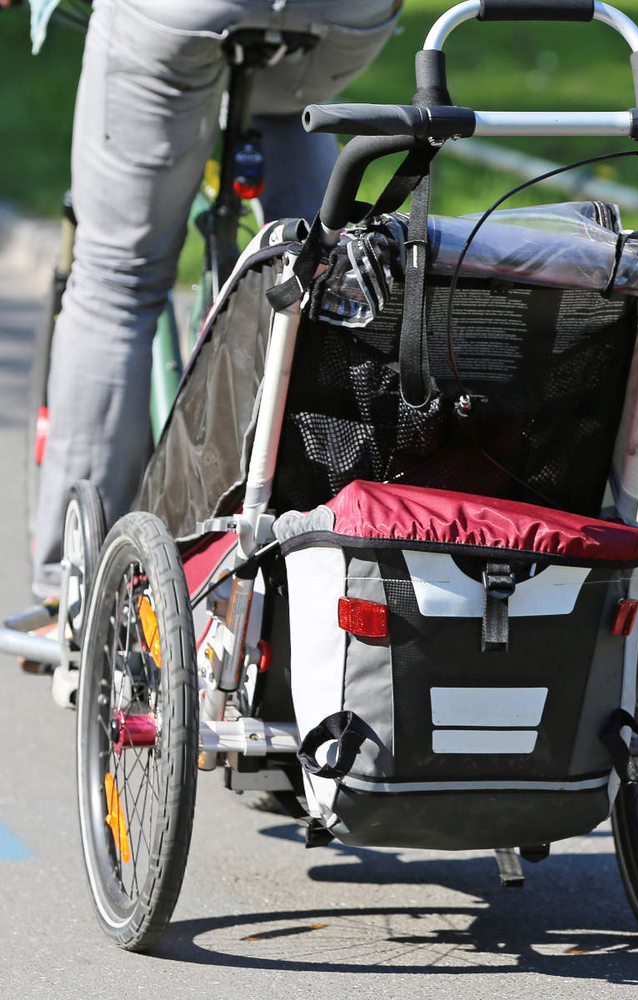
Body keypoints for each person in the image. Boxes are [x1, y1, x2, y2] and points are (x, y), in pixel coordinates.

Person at [13, 0, 401, 599]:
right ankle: (328, 562)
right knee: (320, 284)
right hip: (346, 16)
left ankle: (79, 584)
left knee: (117, 282)